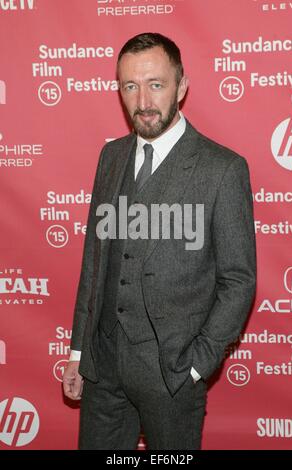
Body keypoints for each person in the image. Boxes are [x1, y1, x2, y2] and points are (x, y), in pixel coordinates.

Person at [63, 32, 256, 450]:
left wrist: (196, 365)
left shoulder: (222, 168)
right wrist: (79, 350)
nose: (143, 100)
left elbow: (238, 281)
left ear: (181, 86)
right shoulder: (110, 157)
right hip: (103, 365)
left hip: (171, 372)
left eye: (156, 84)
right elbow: (95, 261)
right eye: (130, 86)